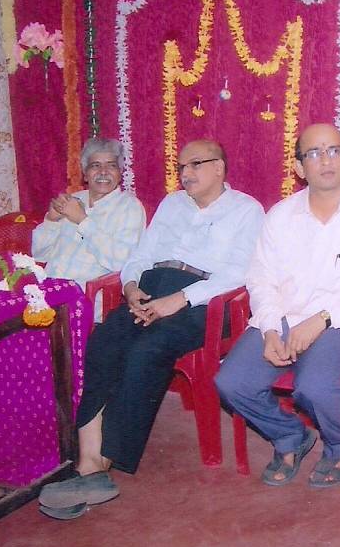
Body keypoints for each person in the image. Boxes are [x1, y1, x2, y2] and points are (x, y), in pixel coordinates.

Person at [38, 139, 265, 519]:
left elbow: (239, 273)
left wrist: (179, 300)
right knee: (105, 340)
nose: (185, 174)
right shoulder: (172, 204)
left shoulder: (246, 210)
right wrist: (130, 286)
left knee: (148, 350)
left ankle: (104, 464)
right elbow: (141, 256)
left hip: (206, 300)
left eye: (195, 165)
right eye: (181, 167)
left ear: (219, 168)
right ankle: (88, 461)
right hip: (152, 288)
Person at [215, 123, 340, 489]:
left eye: (333, 151)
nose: (325, 160)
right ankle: (290, 436)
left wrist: (323, 319)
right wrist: (269, 328)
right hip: (282, 319)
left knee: (313, 386)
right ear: (299, 167)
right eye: (313, 153)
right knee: (231, 383)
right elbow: (261, 279)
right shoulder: (280, 216)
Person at [31, 137, 145, 289]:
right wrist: (51, 220)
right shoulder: (73, 200)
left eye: (111, 166)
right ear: (85, 173)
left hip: (84, 295)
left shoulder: (130, 207)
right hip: (45, 289)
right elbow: (39, 254)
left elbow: (121, 261)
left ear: (120, 173)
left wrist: (82, 221)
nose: (103, 172)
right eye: (95, 165)